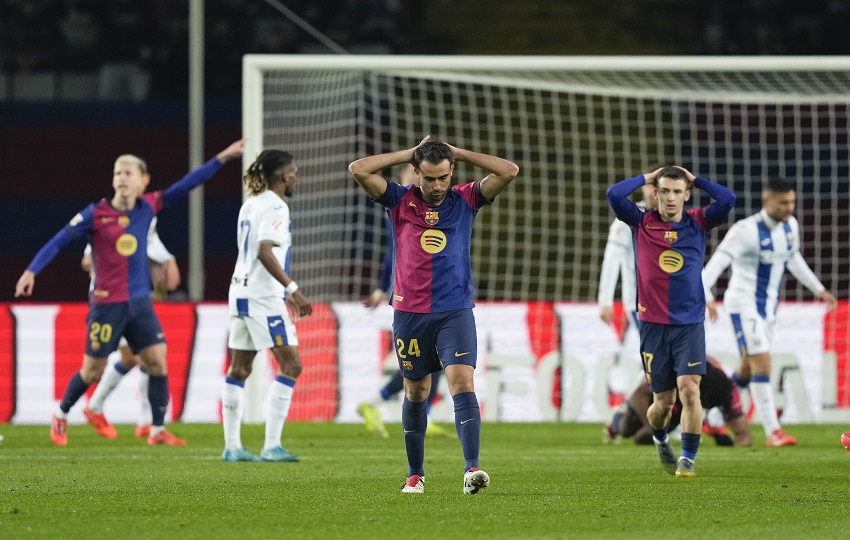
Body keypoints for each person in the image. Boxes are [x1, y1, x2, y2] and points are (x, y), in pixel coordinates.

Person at [15, 138, 245, 446]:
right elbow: (59, 240)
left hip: (140, 304)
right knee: (92, 369)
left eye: (128, 173)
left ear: (143, 180)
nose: (121, 178)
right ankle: (61, 413)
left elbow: (188, 184)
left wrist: (224, 157)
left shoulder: (148, 207)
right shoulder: (95, 214)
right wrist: (32, 270)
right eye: (117, 173)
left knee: (157, 361)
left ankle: (157, 430)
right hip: (107, 305)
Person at [349, 136, 519, 495]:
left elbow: (509, 170)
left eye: (443, 177)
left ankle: (471, 469)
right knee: (416, 390)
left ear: (452, 170)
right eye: (429, 178)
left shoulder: (467, 198)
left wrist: (459, 151)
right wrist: (407, 151)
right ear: (416, 173)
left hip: (454, 311)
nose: (437, 186)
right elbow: (358, 169)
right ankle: (415, 474)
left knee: (461, 382)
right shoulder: (398, 199)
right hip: (409, 313)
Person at [606, 165, 735, 477]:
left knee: (689, 389)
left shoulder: (697, 222)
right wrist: (647, 177)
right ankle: (660, 436)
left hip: (689, 323)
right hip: (652, 325)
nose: (671, 197)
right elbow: (613, 194)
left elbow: (728, 199)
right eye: (665, 191)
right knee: (663, 403)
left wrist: (697, 179)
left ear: (687, 195)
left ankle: (687, 459)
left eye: (678, 191)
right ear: (656, 194)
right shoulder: (641, 221)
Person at [702, 177, 837, 446]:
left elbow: (793, 257)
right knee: (763, 362)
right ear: (766, 201)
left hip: (768, 310)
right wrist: (706, 295)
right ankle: (773, 431)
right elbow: (716, 263)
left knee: (747, 369)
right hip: (742, 306)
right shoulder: (745, 230)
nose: (789, 208)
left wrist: (818, 289)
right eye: (783, 203)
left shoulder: (790, 227)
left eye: (792, 202)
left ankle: (714, 420)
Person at [221, 149, 313, 463]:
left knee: (240, 368)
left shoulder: (250, 204)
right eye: (294, 171)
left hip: (240, 291)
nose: (296, 176)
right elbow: (264, 251)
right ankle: (271, 445)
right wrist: (292, 288)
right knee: (292, 365)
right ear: (284, 175)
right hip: (262, 297)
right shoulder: (276, 206)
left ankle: (232, 447)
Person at [79, 168, 182, 441]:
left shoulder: (144, 215)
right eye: (121, 175)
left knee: (140, 357)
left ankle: (139, 421)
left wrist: (168, 260)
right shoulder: (107, 215)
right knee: (137, 359)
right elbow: (92, 252)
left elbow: (152, 245)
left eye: (131, 176)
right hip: (110, 300)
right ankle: (98, 409)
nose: (126, 182)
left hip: (132, 299)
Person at [358, 164, 447, 439]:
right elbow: (393, 251)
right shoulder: (400, 204)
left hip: (423, 292)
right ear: (403, 176)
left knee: (429, 359)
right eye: (414, 171)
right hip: (409, 295)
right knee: (424, 359)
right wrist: (383, 288)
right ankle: (381, 403)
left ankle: (376, 404)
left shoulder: (426, 206)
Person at [604, 356, 752, 447]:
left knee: (642, 439)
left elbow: (744, 437)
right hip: (660, 398)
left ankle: (664, 433)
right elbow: (639, 395)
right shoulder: (675, 371)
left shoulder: (726, 389)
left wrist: (729, 442)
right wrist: (651, 427)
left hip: (677, 410)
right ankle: (618, 417)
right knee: (625, 428)